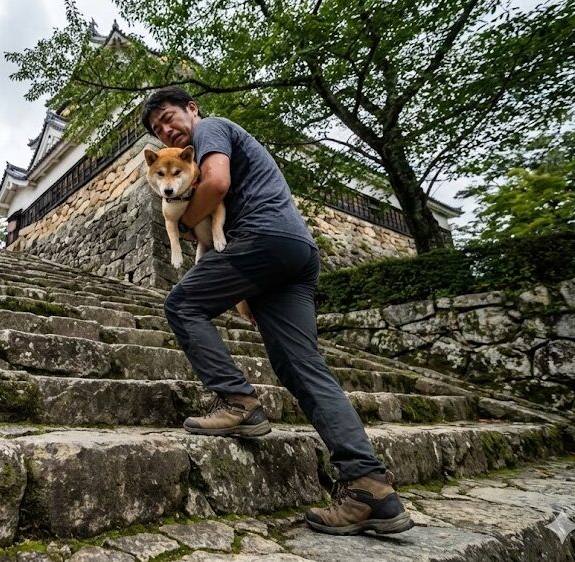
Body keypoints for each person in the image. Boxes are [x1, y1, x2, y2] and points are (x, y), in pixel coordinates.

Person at [142, 86, 412, 536]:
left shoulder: (211, 128)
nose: (165, 129)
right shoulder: (211, 141)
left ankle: (238, 401)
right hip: (294, 251)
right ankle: (371, 489)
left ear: (191, 109)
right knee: (302, 367)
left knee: (183, 304)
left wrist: (185, 223)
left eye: (168, 117)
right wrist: (248, 290)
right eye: (157, 128)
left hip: (261, 239)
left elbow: (217, 183)